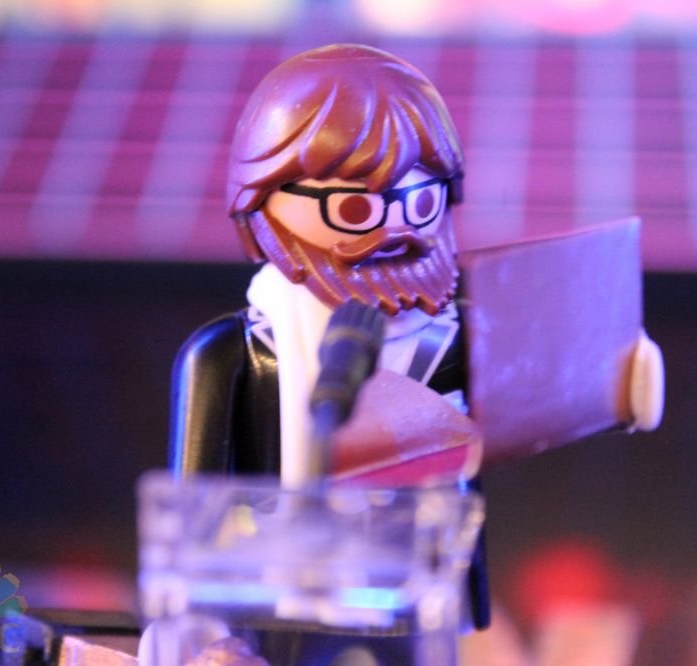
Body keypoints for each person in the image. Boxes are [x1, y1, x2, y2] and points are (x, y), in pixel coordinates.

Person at [168, 43, 490, 627]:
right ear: (262, 197)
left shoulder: (462, 336)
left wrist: (624, 374)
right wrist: (203, 632)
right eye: (355, 210)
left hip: (430, 604)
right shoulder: (233, 355)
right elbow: (194, 518)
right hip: (274, 613)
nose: (395, 230)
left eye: (420, 201)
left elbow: (554, 393)